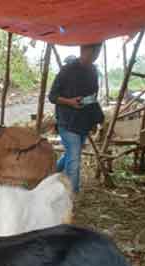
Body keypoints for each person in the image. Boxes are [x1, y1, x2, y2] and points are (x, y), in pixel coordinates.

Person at [49, 43, 104, 193]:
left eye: (98, 51)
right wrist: (70, 102)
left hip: (83, 122)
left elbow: (93, 97)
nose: (95, 55)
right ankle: (70, 197)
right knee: (74, 161)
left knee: (71, 154)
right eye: (93, 51)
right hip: (67, 122)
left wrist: (93, 121)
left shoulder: (93, 71)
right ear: (83, 49)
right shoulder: (67, 70)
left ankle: (49, 174)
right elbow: (52, 96)